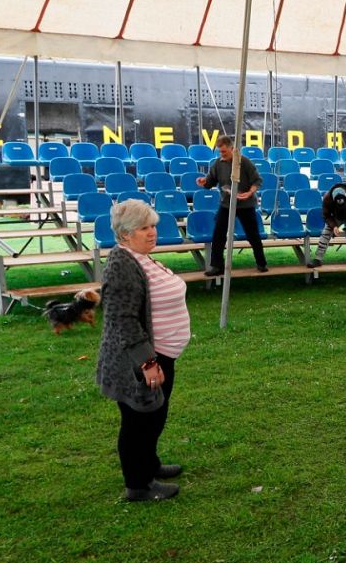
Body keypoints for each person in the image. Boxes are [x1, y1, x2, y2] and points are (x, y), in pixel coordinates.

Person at [97, 199, 190, 502]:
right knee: (139, 421)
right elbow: (123, 320)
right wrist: (148, 362)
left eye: (152, 226)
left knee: (155, 415)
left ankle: (150, 465)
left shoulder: (140, 256)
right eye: (143, 228)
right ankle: (138, 484)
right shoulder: (123, 264)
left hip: (160, 355)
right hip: (140, 361)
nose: (152, 232)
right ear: (125, 234)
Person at [197, 137, 267, 275]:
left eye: (224, 151)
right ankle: (217, 266)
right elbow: (210, 181)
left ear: (231, 148)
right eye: (220, 152)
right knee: (218, 233)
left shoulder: (244, 162)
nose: (221, 154)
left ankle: (261, 263)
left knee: (252, 234)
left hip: (246, 204)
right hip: (226, 203)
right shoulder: (218, 163)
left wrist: (249, 193)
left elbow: (258, 180)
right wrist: (203, 181)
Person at [308, 183, 346, 269]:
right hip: (336, 219)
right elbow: (326, 216)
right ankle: (318, 259)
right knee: (326, 232)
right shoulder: (327, 198)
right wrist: (334, 226)